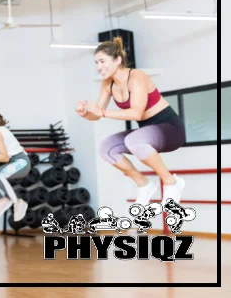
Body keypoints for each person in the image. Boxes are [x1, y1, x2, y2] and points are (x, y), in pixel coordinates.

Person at [76, 38, 186, 206]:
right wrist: (86, 113)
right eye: (96, 62)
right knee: (106, 148)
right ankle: (144, 184)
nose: (99, 67)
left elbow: (136, 112)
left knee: (134, 140)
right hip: (147, 133)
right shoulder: (108, 84)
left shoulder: (137, 77)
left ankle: (171, 182)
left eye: (103, 61)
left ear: (118, 60)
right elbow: (96, 114)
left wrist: (102, 112)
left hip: (170, 129)